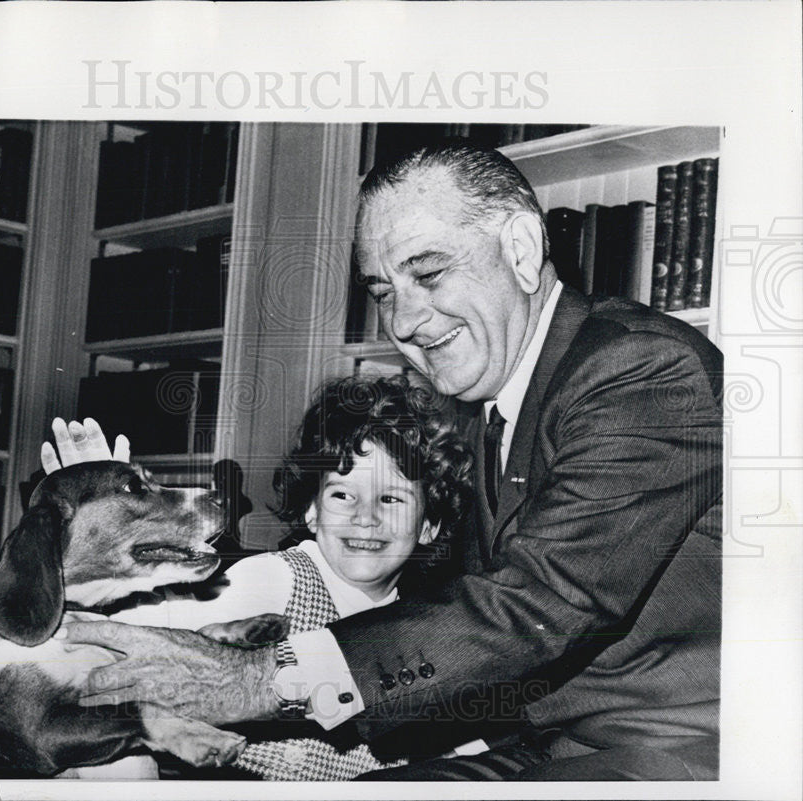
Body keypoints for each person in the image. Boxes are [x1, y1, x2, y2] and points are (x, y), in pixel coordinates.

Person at [53, 141, 723, 781]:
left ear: (522, 249)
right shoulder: (486, 403)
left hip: (665, 753)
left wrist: (258, 679)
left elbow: (542, 600)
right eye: (381, 291)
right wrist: (121, 534)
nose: (402, 321)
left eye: (428, 273)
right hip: (539, 746)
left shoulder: (641, 370)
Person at [49, 376, 476, 780]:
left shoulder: (422, 626)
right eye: (343, 495)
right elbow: (133, 641)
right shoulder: (277, 580)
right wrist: (108, 529)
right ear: (311, 510)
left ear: (429, 525)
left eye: (391, 498)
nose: (366, 517)